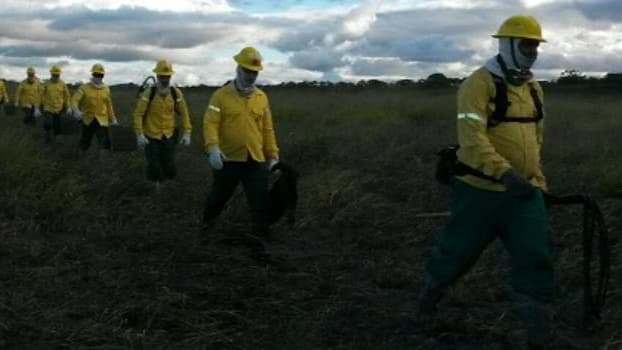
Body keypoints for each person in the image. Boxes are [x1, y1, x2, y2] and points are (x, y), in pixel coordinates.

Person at [417, 15, 551, 349]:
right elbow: (472, 140)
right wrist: (505, 173)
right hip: (479, 193)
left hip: (525, 194)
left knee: (535, 258)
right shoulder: (478, 84)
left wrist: (537, 181)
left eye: (535, 44)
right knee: (456, 253)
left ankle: (538, 335)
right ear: (506, 44)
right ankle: (427, 305)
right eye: (526, 44)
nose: (532, 51)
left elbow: (536, 139)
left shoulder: (534, 87)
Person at [202, 46, 279, 240]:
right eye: (247, 71)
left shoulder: (262, 98)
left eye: (254, 72)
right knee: (218, 198)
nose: (251, 75)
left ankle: (261, 237)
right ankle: (205, 231)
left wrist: (273, 156)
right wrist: (212, 148)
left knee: (260, 200)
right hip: (227, 159)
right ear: (238, 69)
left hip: (255, 159)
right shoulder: (220, 96)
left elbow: (267, 130)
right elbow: (210, 123)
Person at [132, 59, 192, 190]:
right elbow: (138, 114)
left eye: (167, 76)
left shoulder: (176, 93)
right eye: (162, 76)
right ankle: (155, 189)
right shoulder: (150, 93)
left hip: (169, 135)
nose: (165, 79)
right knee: (154, 164)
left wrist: (187, 132)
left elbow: (184, 113)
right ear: (157, 76)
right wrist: (139, 134)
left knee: (169, 164)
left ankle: (167, 186)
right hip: (151, 135)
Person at [71, 64, 118, 155]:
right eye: (96, 75)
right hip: (88, 119)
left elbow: (109, 105)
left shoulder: (106, 89)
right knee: (85, 141)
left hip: (102, 120)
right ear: (92, 74)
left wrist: (113, 118)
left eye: (100, 75)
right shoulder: (84, 88)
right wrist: (76, 110)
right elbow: (74, 100)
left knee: (105, 143)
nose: (98, 77)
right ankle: (81, 159)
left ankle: (104, 165)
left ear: (103, 76)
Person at [40, 65, 71, 143]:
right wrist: (38, 106)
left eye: (57, 75)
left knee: (57, 124)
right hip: (48, 107)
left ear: (59, 75)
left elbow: (67, 96)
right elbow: (40, 94)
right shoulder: (46, 83)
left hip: (58, 108)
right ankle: (47, 134)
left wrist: (68, 107)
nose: (55, 77)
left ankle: (57, 140)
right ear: (51, 75)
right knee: (48, 122)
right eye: (54, 75)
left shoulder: (63, 84)